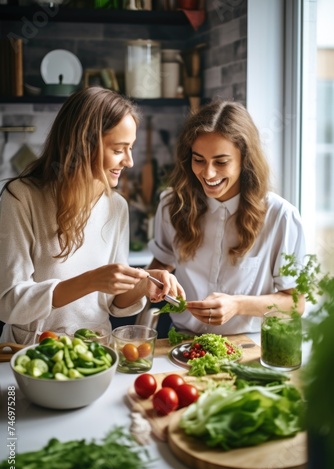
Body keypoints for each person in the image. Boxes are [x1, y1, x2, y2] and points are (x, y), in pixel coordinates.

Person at [0, 87, 184, 344]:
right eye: (119, 149)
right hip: (32, 352)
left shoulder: (116, 206)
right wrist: (91, 281)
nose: (129, 162)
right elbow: (9, 302)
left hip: (97, 350)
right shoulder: (21, 197)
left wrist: (144, 284)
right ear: (82, 146)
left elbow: (114, 304)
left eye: (130, 148)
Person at [147, 99, 306, 335]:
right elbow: (162, 262)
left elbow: (296, 303)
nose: (208, 173)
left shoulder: (281, 216)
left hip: (247, 347)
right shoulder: (172, 204)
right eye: (198, 159)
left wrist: (238, 304)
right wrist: (152, 280)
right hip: (181, 342)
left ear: (245, 160)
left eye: (221, 162)